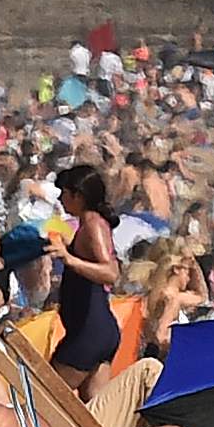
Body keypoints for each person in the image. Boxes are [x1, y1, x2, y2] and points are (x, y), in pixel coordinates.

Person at [49, 162, 123, 381]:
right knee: (93, 412)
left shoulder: (93, 225)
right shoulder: (87, 225)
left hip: (89, 332)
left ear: (78, 196)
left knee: (44, 400)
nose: (60, 199)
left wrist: (69, 259)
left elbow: (110, 273)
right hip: (95, 331)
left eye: (64, 193)